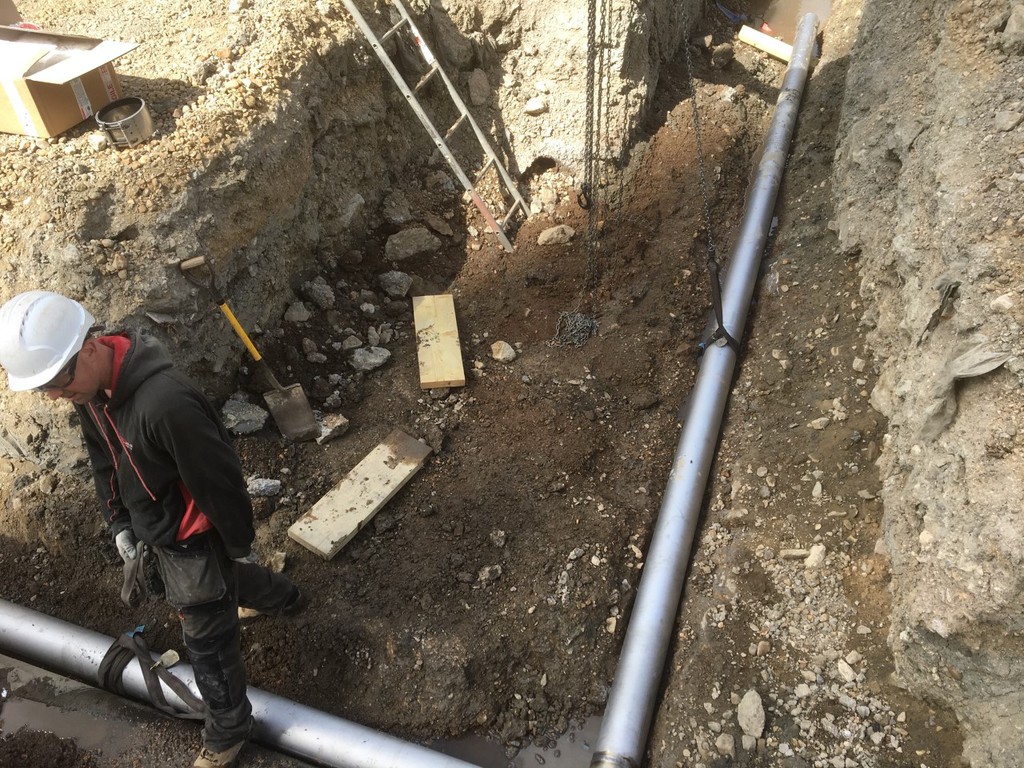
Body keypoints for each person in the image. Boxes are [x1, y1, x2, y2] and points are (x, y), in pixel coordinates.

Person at [0, 290, 305, 768]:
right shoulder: (90, 391)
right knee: (222, 584)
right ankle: (284, 598)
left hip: (191, 536)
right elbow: (104, 458)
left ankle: (228, 728)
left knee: (206, 643)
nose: (56, 395)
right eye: (44, 389)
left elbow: (219, 479)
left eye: (57, 381)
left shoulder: (165, 404)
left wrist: (237, 541)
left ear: (89, 346)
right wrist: (120, 521)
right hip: (155, 529)